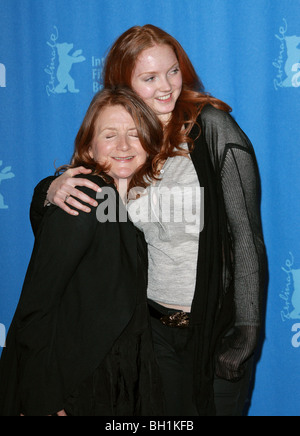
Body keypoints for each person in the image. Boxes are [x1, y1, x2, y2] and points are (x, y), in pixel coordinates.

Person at [29, 25, 267, 416]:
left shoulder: (212, 128)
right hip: (151, 334)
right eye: (149, 77)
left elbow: (245, 237)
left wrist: (246, 332)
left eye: (173, 71)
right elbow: (82, 187)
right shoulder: (128, 138)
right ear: (123, 84)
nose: (166, 87)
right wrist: (49, 188)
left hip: (214, 330)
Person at [0, 86, 165, 416]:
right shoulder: (84, 199)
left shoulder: (128, 204)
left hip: (120, 380)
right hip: (76, 389)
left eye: (134, 134)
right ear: (89, 145)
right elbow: (37, 306)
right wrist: (44, 402)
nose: (123, 146)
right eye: (109, 135)